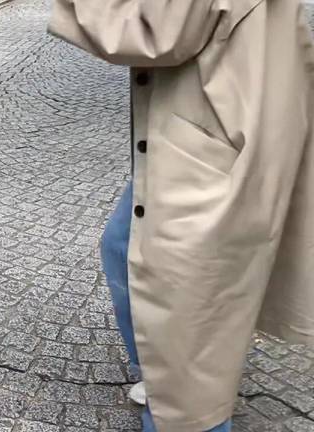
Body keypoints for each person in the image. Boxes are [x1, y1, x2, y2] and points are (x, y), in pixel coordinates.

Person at [48, 1, 314, 431]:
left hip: (220, 131)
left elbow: (153, 32)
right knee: (123, 246)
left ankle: (182, 397)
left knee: (185, 303)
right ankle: (167, 377)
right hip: (235, 106)